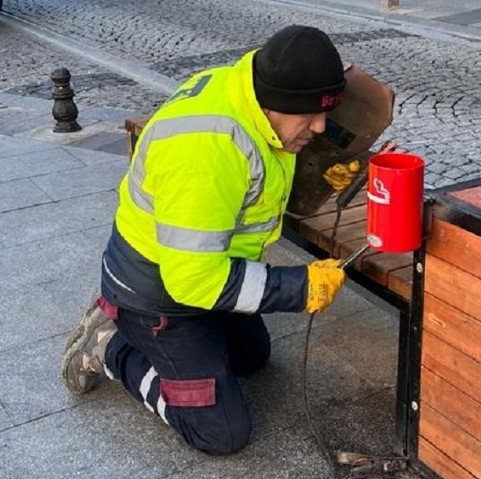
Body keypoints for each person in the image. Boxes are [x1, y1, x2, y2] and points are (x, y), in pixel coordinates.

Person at [61, 25, 359, 455]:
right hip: (161, 295)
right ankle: (110, 347)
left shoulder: (250, 91)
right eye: (309, 115)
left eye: (325, 112)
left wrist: (319, 172)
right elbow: (192, 282)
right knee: (221, 433)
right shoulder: (206, 152)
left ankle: (156, 341)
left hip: (206, 265)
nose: (320, 125)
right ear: (275, 102)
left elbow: (252, 185)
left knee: (252, 358)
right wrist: (299, 287)